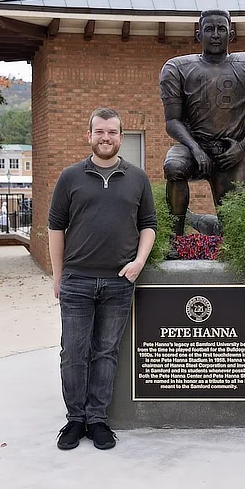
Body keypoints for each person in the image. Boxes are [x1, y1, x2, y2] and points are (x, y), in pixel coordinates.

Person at [48, 107, 157, 451]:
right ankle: (75, 419)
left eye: (112, 132)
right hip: (78, 281)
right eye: (100, 132)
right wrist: (58, 276)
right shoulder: (70, 177)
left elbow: (148, 225)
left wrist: (139, 261)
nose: (106, 137)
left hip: (118, 282)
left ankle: (97, 420)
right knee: (73, 353)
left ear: (121, 137)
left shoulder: (138, 178)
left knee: (106, 353)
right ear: (89, 135)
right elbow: (55, 228)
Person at [161, 9, 245, 237]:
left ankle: (199, 222)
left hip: (230, 149)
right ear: (198, 34)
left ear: (231, 34)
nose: (215, 34)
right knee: (173, 166)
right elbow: (172, 121)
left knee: (232, 231)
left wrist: (242, 147)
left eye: (221, 29)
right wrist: (195, 148)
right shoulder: (177, 68)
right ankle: (175, 238)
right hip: (192, 146)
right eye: (209, 29)